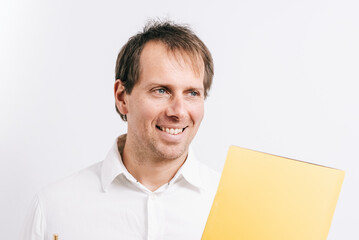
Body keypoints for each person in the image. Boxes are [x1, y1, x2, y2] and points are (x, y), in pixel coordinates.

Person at [23, 20, 219, 240]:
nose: (179, 111)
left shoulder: (235, 206)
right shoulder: (53, 209)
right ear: (121, 97)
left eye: (192, 93)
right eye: (161, 90)